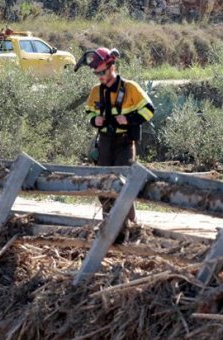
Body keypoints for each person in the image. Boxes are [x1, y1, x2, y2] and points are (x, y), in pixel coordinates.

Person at [75, 47, 155, 241]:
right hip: (104, 142)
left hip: (125, 142)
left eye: (102, 72)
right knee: (103, 183)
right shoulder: (96, 92)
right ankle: (109, 228)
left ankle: (132, 229)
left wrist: (129, 119)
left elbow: (149, 110)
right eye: (96, 73)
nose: (100, 77)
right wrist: (95, 121)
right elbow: (90, 113)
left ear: (112, 66)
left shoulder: (131, 88)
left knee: (123, 183)